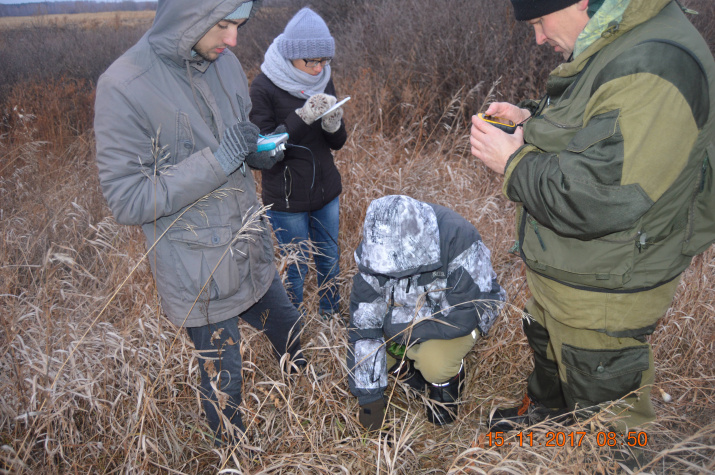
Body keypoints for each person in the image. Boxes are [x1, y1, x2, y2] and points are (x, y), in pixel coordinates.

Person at [470, 0, 715, 434]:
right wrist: (529, 122)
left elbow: (595, 199)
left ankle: (608, 458)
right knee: (548, 345)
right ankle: (548, 421)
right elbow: (594, 126)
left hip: (606, 284)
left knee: (609, 423)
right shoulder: (613, 32)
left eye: (540, 21)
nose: (539, 38)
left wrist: (514, 164)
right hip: (571, 266)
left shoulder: (656, 65)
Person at [94, 0, 307, 445]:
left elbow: (238, 134)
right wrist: (220, 158)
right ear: (188, 14)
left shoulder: (223, 63)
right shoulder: (123, 85)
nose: (233, 40)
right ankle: (234, 456)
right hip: (200, 274)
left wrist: (257, 152)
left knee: (293, 334)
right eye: (223, 24)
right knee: (224, 385)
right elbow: (127, 200)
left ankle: (312, 405)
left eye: (238, 25)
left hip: (251, 250)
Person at [346, 195, 506, 429]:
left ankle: (447, 387)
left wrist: (393, 330)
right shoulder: (376, 248)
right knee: (377, 353)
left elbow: (463, 314)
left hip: (465, 312)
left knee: (434, 362)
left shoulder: (458, 236)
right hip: (410, 315)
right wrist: (370, 402)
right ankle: (409, 371)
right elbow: (364, 326)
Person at [249, 7, 347, 320]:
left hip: (326, 192)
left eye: (324, 61)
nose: (319, 69)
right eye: (311, 61)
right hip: (287, 200)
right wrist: (302, 118)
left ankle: (330, 317)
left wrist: (333, 125)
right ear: (292, 56)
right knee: (295, 267)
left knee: (330, 259)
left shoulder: (324, 79)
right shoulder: (263, 87)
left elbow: (337, 143)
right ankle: (294, 325)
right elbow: (262, 154)